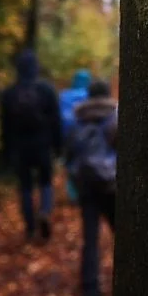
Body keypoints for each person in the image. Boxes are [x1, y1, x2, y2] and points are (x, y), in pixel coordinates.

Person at [0, 49, 62, 242]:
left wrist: (7, 152)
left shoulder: (9, 94)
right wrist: (58, 147)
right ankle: (44, 210)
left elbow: (4, 126)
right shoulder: (46, 90)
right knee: (45, 182)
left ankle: (30, 227)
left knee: (25, 187)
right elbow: (56, 121)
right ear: (35, 67)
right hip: (43, 144)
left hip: (20, 148)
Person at [65, 79, 116, 296]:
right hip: (112, 185)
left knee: (90, 239)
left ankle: (90, 290)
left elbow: (69, 155)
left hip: (87, 187)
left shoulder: (77, 120)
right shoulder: (116, 117)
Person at [58, 68, 92, 201]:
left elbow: (58, 117)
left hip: (67, 136)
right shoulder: (89, 94)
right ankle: (84, 191)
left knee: (70, 164)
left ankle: (72, 194)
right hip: (86, 136)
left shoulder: (64, 95)